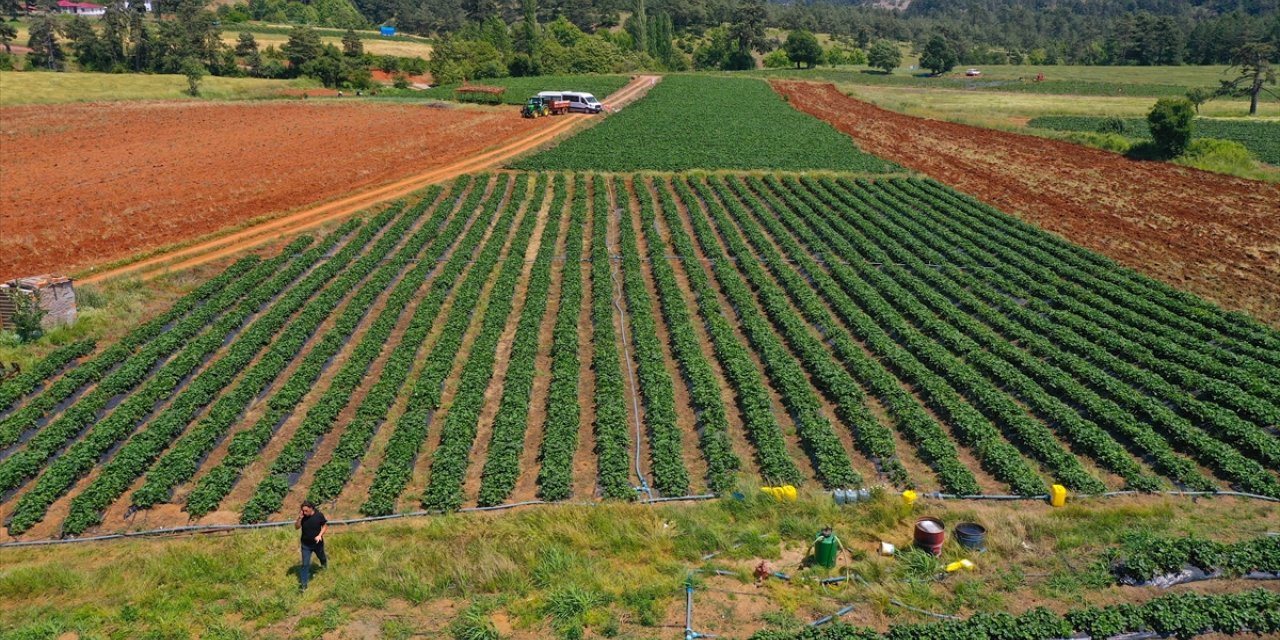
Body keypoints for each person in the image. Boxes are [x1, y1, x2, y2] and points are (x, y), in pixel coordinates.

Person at [295, 502, 328, 590]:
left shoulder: (319, 515)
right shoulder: (303, 517)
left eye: (306, 510)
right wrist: (299, 518)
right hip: (305, 545)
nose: (304, 512)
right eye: (303, 511)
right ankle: (303, 585)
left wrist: (320, 535)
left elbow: (325, 526)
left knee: (321, 556)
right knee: (305, 564)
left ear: (311, 508)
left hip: (317, 544)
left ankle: (324, 566)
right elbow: (297, 527)